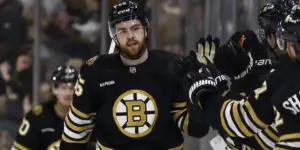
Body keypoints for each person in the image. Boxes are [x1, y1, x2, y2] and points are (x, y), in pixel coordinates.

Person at [60, 1, 209, 150]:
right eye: (122, 31)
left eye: (135, 28)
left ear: (145, 29)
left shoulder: (171, 66)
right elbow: (76, 131)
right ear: (114, 36)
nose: (130, 36)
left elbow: (196, 129)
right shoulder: (95, 71)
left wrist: (198, 94)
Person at [180, 3, 300, 150]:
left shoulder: (283, 77)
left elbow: (243, 124)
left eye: (284, 38)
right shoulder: (252, 48)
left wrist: (207, 94)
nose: (283, 46)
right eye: (276, 35)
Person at [11, 65, 78, 150]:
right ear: (54, 89)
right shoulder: (35, 118)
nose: (68, 93)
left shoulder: (89, 117)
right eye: (63, 87)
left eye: (72, 88)